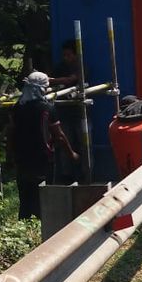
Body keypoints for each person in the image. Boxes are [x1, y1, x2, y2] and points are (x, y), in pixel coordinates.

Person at [7, 71, 79, 219]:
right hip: (42, 157)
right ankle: (43, 225)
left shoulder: (17, 108)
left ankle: (24, 226)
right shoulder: (47, 109)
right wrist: (71, 153)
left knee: (25, 197)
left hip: (21, 157)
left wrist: (9, 155)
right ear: (41, 89)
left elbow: (11, 132)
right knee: (43, 194)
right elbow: (58, 135)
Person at [49, 39, 84, 184]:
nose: (66, 58)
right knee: (65, 145)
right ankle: (67, 177)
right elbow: (50, 77)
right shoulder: (60, 67)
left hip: (81, 114)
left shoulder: (81, 67)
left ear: (76, 55)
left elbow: (72, 80)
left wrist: (53, 80)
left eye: (69, 55)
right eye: (64, 55)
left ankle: (84, 174)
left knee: (84, 145)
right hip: (63, 113)